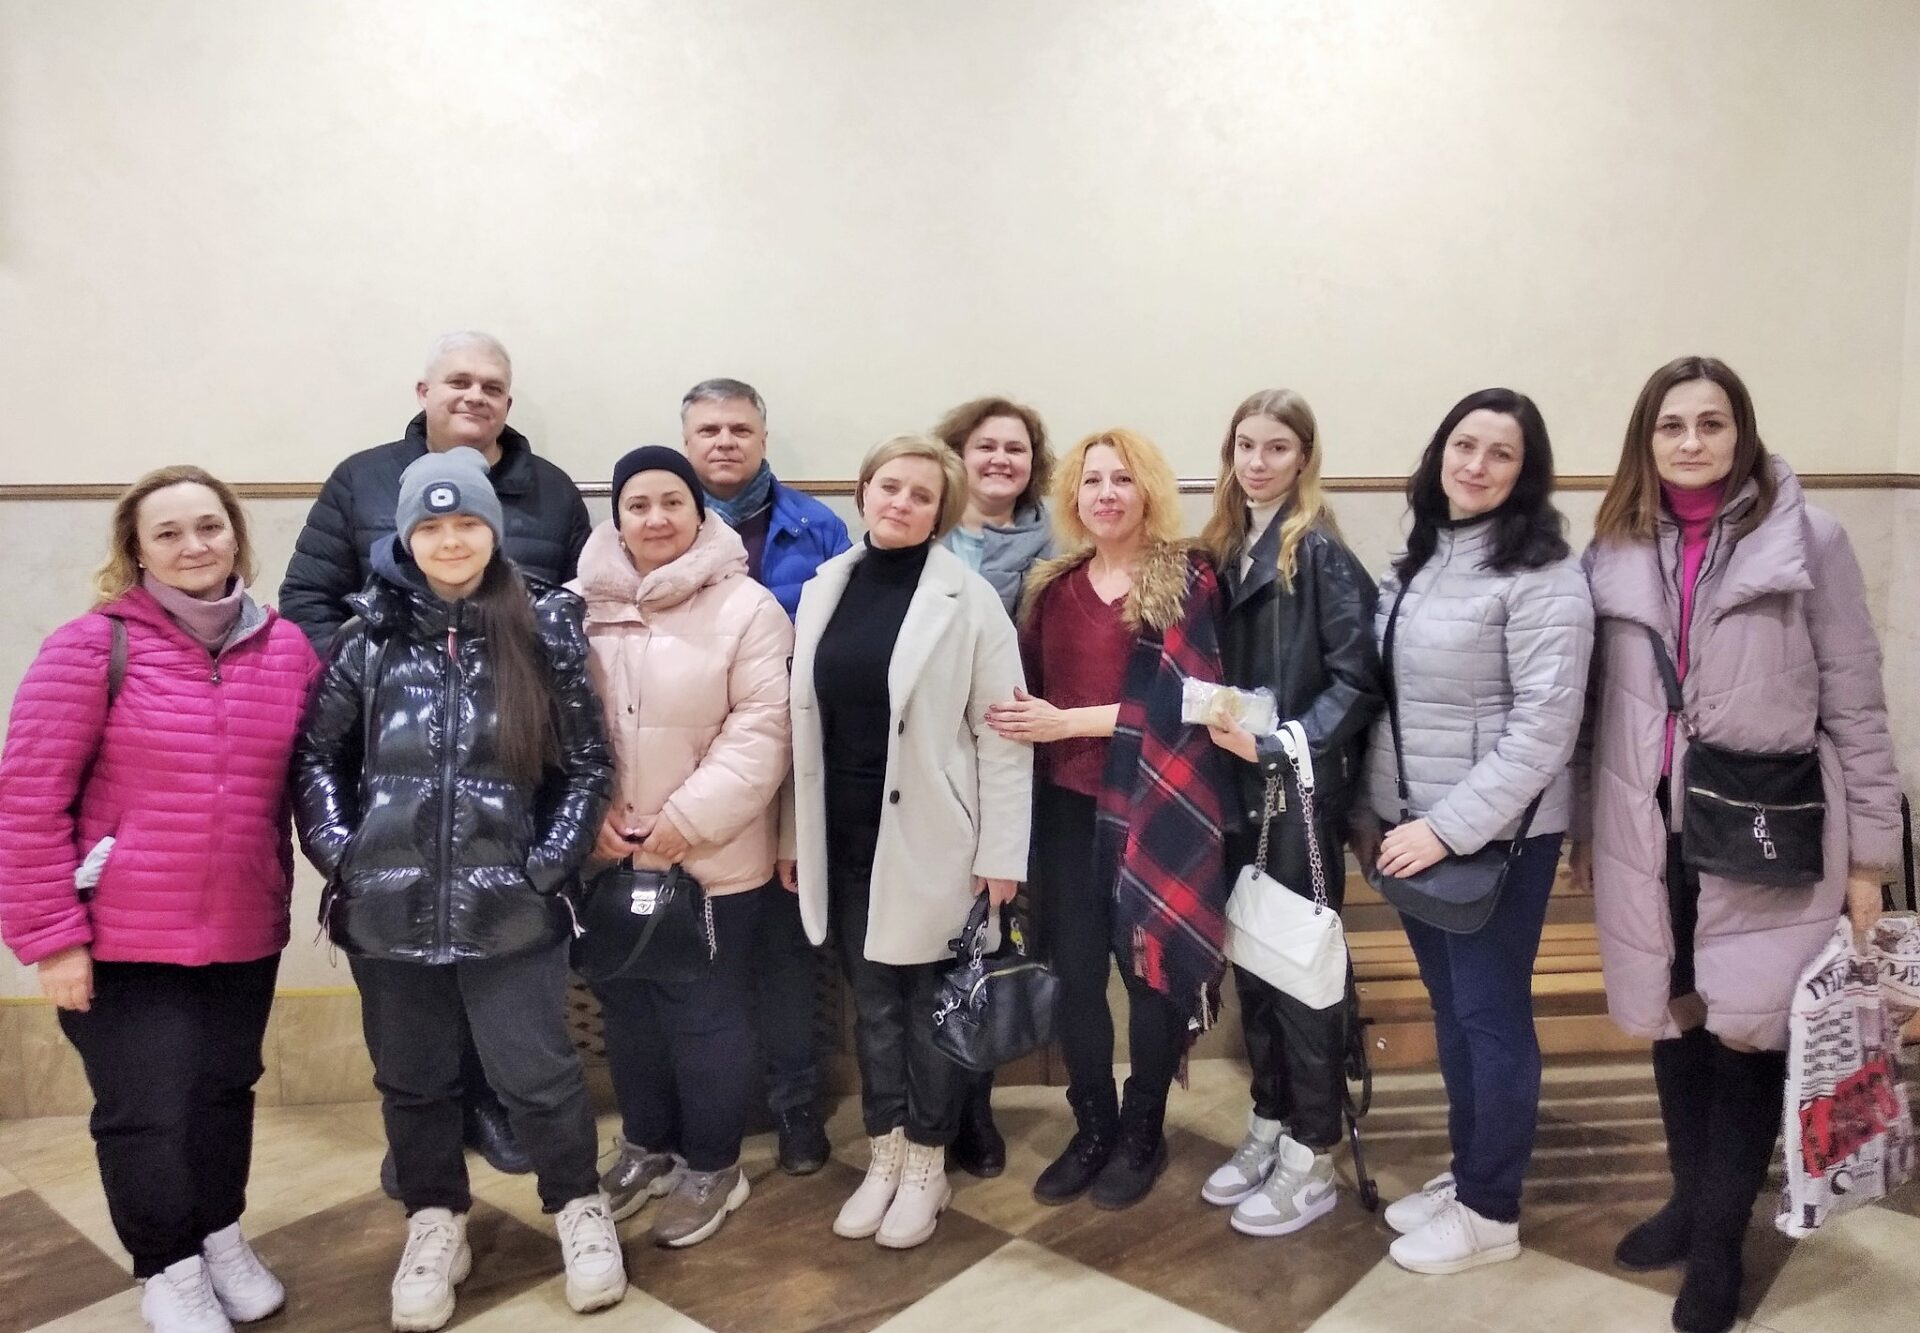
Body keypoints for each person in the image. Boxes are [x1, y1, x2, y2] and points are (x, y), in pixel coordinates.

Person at [1572, 357, 1899, 1333]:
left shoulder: (1809, 539)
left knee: (1746, 1033)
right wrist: (1586, 824)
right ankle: (1689, 1200)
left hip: (1767, 827)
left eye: (1711, 423)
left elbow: (1856, 701)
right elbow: (1591, 711)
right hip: (1647, 829)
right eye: (1672, 425)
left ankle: (1719, 1243)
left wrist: (1870, 860)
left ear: (1741, 433)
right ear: (1646, 439)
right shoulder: (1613, 546)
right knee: (1675, 1022)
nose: (1691, 441)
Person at [291, 449, 625, 1329]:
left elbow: (588, 766)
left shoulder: (545, 628)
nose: (450, 540)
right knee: (413, 1081)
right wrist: (344, 854)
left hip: (511, 909)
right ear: (406, 536)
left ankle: (577, 1205)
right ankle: (435, 1219)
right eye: (431, 525)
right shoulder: (366, 637)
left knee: (539, 1075)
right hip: (388, 912)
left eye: (467, 522)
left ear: (494, 530)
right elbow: (317, 758)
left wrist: (545, 866)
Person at [0, 467, 320, 1333]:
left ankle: (218, 1233)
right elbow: (26, 801)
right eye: (168, 532)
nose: (193, 545)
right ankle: (167, 1264)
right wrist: (52, 939)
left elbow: (315, 782)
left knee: (224, 1090)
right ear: (136, 550)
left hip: (243, 926)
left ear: (235, 535)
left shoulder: (287, 649)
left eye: (208, 526)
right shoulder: (90, 647)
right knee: (148, 1111)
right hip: (121, 936)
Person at [279, 330, 593, 1183]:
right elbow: (306, 599)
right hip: (394, 790)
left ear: (508, 402)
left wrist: (549, 859)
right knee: (410, 1017)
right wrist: (376, 683)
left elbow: (580, 619)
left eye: (492, 384)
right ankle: (428, 1157)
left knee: (510, 1000)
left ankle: (499, 1112)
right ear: (424, 390)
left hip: (506, 799)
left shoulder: (554, 491)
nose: (474, 394)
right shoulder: (361, 479)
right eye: (459, 379)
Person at [1353, 389, 1594, 1276]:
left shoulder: (1545, 577)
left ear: (1527, 473)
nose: (1477, 464)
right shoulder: (1425, 557)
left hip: (1496, 839)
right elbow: (1395, 703)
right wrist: (1377, 811)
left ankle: (1492, 1211)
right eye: (1464, 444)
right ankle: (1470, 1172)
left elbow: (1543, 731)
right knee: (1454, 1012)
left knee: (1492, 1018)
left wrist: (1447, 830)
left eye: (1501, 452)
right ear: (1440, 453)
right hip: (1415, 830)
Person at [781, 434, 1032, 1250]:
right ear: (864, 491)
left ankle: (927, 1159)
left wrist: (1002, 853)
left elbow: (1003, 735)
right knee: (874, 1007)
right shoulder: (826, 587)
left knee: (928, 1008)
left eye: (922, 496)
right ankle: (884, 1150)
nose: (902, 503)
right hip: (845, 838)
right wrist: (791, 835)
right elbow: (801, 727)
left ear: (940, 513)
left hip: (936, 842)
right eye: (890, 486)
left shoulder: (970, 600)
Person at [990, 428, 1232, 1212]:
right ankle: (1092, 1125)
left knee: (1148, 974)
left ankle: (1142, 1130)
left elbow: (1189, 701)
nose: (1105, 493)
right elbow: (1024, 694)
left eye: (1121, 479)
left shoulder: (1185, 578)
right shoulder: (1051, 587)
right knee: (1076, 975)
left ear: (1148, 489)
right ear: (1073, 495)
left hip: (1151, 809)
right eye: (1091, 480)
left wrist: (1068, 722)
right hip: (1065, 808)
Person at [571, 447, 793, 1249]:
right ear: (617, 516)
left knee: (705, 1015)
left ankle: (713, 1164)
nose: (656, 517)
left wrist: (681, 822)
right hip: (606, 856)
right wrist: (591, 819)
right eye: (638, 504)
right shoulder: (575, 607)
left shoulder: (748, 607)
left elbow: (763, 729)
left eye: (673, 501)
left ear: (700, 513)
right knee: (627, 1011)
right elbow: (553, 723)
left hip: (710, 858)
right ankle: (647, 1146)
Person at [1197, 390, 1384, 1236]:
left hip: (1297, 792)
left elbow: (1357, 680)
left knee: (1303, 975)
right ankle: (1271, 1116)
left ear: (1304, 456)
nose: (1258, 461)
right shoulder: (1225, 546)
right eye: (1246, 444)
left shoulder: (1321, 554)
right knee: (1257, 964)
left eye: (1277, 446)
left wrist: (1283, 744)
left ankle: (1313, 1151)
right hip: (1236, 794)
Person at [681, 377, 850, 1175]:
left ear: (763, 437)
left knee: (787, 953)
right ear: (687, 442)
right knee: (704, 956)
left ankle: (795, 1105)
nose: (725, 441)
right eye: (709, 430)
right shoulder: (661, 521)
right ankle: (708, 1108)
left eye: (739, 429)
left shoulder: (819, 528)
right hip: (687, 777)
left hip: (788, 776)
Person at [931, 394, 1057, 1176]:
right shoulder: (922, 533)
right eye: (986, 446)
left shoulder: (1059, 548)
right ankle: (928, 1109)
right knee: (926, 944)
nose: (1001, 460)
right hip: (928, 770)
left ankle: (975, 1107)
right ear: (958, 454)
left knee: (988, 938)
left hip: (1015, 764)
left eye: (1016, 448)